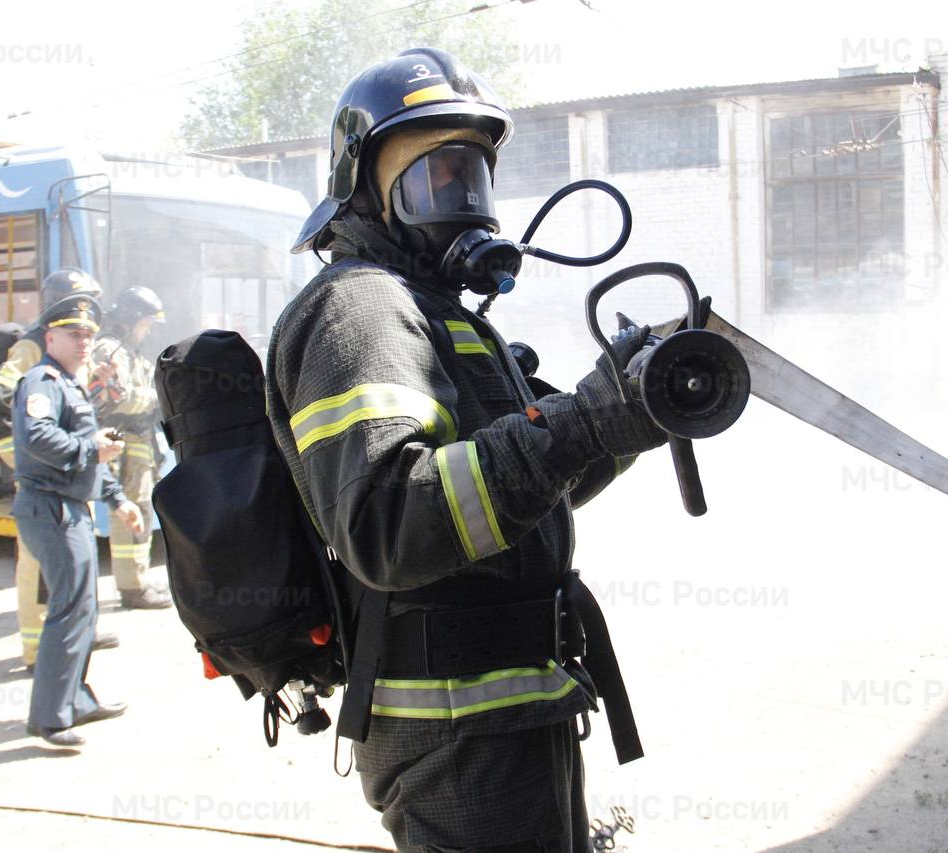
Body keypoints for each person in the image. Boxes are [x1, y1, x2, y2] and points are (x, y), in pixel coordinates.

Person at [266, 48, 666, 852]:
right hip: (454, 725)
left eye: (474, 176)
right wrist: (581, 425)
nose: (463, 200)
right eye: (437, 174)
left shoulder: (434, 312)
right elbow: (388, 521)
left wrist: (629, 416)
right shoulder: (361, 308)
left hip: (510, 702)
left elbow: (502, 497)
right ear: (367, 186)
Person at [12, 294, 144, 747]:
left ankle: (77, 700)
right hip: (49, 508)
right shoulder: (42, 381)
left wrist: (117, 498)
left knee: (83, 609)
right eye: (74, 334)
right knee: (69, 610)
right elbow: (37, 437)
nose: (84, 341)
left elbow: (88, 449)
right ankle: (50, 717)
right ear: (50, 338)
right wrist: (93, 451)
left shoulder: (69, 385)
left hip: (70, 509)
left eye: (89, 334)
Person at [0, 268, 121, 669]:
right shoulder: (32, 346)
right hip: (47, 475)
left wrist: (95, 383)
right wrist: (21, 457)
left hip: (71, 468)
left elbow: (66, 407)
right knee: (37, 560)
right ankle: (35, 649)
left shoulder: (69, 344)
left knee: (74, 558)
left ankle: (77, 634)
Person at [90, 286, 172, 610]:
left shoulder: (131, 351)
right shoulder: (110, 351)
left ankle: (135, 581)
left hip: (137, 442)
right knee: (131, 511)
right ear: (131, 318)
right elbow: (117, 395)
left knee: (139, 508)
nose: (148, 328)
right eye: (146, 321)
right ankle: (133, 587)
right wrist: (158, 398)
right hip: (123, 441)